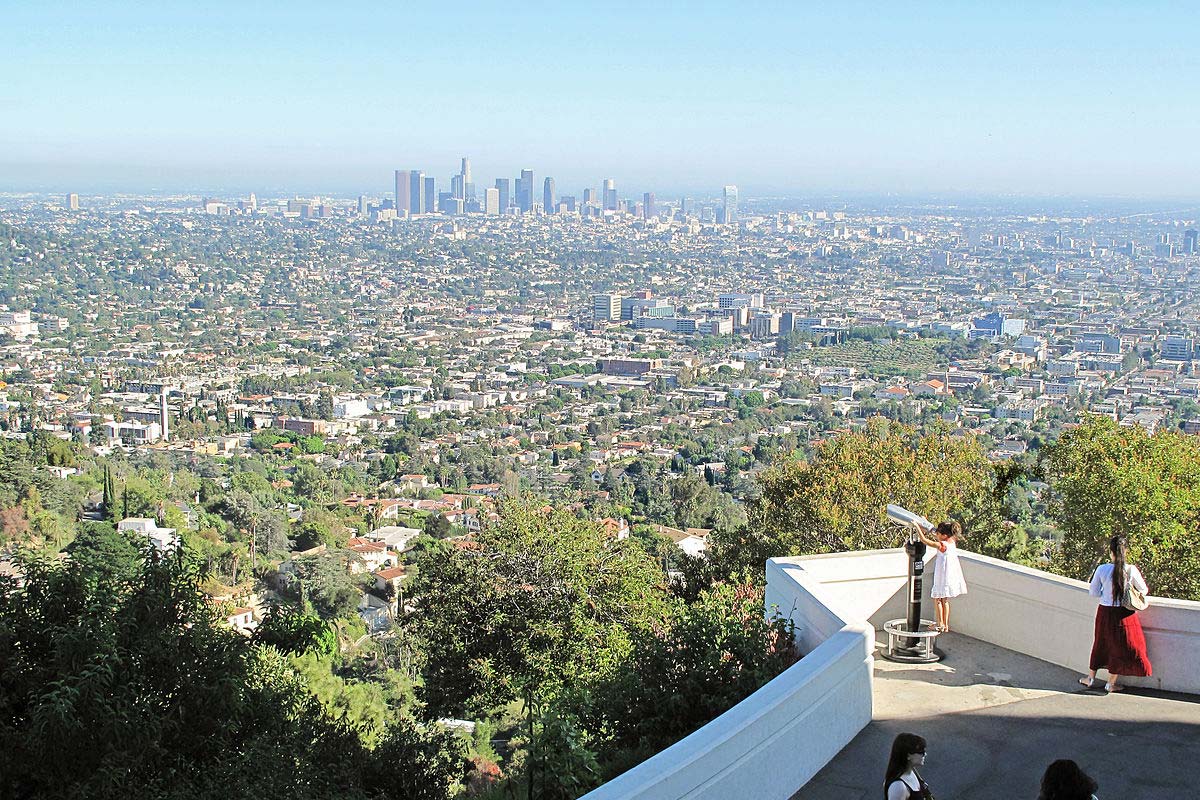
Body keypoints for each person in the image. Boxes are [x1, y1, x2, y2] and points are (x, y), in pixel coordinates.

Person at [1080, 534, 1152, 693]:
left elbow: (1093, 592)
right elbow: (1144, 590)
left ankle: (1090, 678)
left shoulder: (1102, 569)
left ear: (1110, 551)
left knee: (1100, 643)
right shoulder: (1131, 569)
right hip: (1124, 614)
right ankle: (1110, 683)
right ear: (1125, 551)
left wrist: (1106, 592)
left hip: (1105, 612)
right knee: (1120, 647)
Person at [919, 520, 967, 632]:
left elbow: (924, 540)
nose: (937, 535)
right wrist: (925, 523)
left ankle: (940, 623)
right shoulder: (951, 542)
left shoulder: (942, 545)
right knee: (945, 600)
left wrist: (917, 527)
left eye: (939, 534)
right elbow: (934, 532)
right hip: (948, 576)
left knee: (937, 599)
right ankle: (945, 624)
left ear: (944, 535)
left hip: (941, 575)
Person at [883, 732, 934, 800]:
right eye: (921, 751)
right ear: (908, 755)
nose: (925, 754)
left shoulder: (911, 771)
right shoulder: (898, 787)